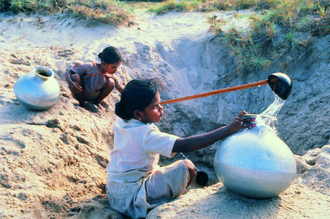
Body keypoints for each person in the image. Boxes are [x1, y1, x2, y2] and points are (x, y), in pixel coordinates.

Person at [106, 79, 253, 218]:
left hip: (116, 192)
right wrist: (227, 129)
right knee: (188, 167)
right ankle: (163, 204)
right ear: (138, 113)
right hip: (131, 201)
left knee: (163, 169)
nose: (161, 108)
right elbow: (185, 145)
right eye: (155, 106)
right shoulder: (146, 135)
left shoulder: (124, 120)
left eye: (159, 103)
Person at [65, 46, 124, 111]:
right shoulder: (90, 67)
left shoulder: (111, 75)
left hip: (94, 96)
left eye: (118, 67)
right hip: (81, 93)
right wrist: (71, 83)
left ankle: (96, 102)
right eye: (113, 67)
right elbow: (68, 72)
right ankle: (82, 103)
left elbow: (121, 89)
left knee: (111, 82)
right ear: (104, 63)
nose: (116, 69)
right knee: (75, 76)